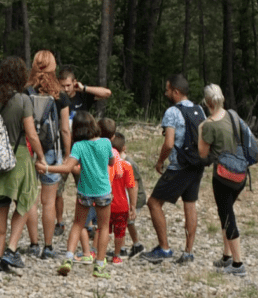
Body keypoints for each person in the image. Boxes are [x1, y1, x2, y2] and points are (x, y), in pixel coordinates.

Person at [0, 56, 46, 273]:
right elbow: (31, 134)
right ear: (21, 77)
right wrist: (40, 157)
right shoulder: (24, 101)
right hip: (18, 157)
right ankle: (12, 249)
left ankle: (0, 256)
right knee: (26, 199)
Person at [141, 73, 206, 265]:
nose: (166, 92)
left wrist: (160, 161)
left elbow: (169, 143)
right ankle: (188, 251)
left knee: (153, 203)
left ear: (176, 92)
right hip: (196, 164)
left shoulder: (172, 112)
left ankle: (164, 248)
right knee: (190, 204)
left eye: (168, 89)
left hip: (179, 166)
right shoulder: (199, 110)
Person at [41, 112, 114, 277]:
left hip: (84, 191)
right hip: (103, 191)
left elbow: (67, 168)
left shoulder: (78, 147)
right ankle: (99, 266)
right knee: (103, 228)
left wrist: (46, 168)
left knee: (77, 224)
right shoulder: (106, 142)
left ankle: (68, 258)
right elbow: (111, 162)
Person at [23, 50, 72, 260]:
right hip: (53, 150)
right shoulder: (60, 95)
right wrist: (68, 155)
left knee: (30, 199)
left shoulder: (25, 92)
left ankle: (33, 244)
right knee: (49, 202)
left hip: (29, 149)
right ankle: (48, 247)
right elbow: (64, 130)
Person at [55, 66, 112, 237]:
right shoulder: (57, 99)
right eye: (62, 85)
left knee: (90, 188)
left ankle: (90, 224)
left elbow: (106, 93)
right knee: (58, 189)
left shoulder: (83, 96)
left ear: (74, 83)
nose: (66, 89)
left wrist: (84, 88)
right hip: (65, 150)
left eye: (68, 85)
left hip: (85, 151)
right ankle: (59, 222)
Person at [197, 84, 248, 277]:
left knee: (227, 217)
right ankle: (227, 257)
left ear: (207, 102)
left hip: (223, 177)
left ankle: (238, 263)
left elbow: (203, 154)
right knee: (226, 213)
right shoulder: (233, 116)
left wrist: (201, 130)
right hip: (241, 173)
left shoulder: (209, 125)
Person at [99, 120, 137, 265]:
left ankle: (98, 254)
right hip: (121, 205)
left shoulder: (103, 164)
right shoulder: (127, 166)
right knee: (120, 232)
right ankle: (116, 255)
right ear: (123, 149)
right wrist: (133, 205)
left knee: (102, 229)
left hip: (105, 202)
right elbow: (131, 187)